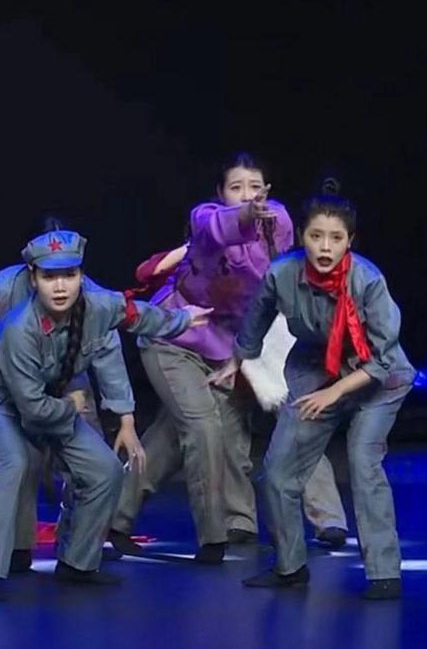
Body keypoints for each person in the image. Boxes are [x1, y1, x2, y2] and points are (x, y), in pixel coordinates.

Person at [110, 153, 346, 564]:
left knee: (172, 435)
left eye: (255, 187)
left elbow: (283, 275)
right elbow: (217, 227)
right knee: (203, 427)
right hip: (176, 338)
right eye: (236, 188)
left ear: (267, 190)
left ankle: (113, 517)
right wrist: (244, 215)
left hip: (231, 346)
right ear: (220, 193)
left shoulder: (278, 221)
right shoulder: (205, 218)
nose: (247, 195)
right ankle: (214, 537)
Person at [0, 229, 211, 599]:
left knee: (105, 469)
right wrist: (72, 405)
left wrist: (182, 319)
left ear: (81, 276)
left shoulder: (97, 303)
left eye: (69, 275)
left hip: (47, 398)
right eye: (49, 276)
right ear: (33, 279)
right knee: (14, 463)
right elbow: (34, 412)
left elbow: (136, 315)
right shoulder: (18, 329)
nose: (61, 287)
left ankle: (78, 562)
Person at [216, 180, 416, 599]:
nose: (325, 247)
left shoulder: (367, 281)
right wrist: (237, 359)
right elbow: (256, 320)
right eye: (316, 236)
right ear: (302, 237)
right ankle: (290, 567)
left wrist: (335, 393)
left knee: (363, 462)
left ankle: (384, 573)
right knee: (279, 470)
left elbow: (382, 360)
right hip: (314, 368)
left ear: (350, 241)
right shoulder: (282, 273)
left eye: (336, 238)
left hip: (376, 379)